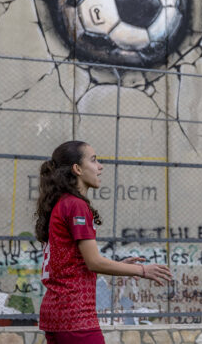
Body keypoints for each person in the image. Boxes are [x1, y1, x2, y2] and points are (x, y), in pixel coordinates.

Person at [35, 140, 173, 344]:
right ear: (77, 169)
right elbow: (94, 262)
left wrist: (120, 267)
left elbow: (71, 265)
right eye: (93, 160)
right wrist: (142, 271)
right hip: (74, 317)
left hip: (56, 314)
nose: (100, 167)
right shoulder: (76, 206)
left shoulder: (62, 203)